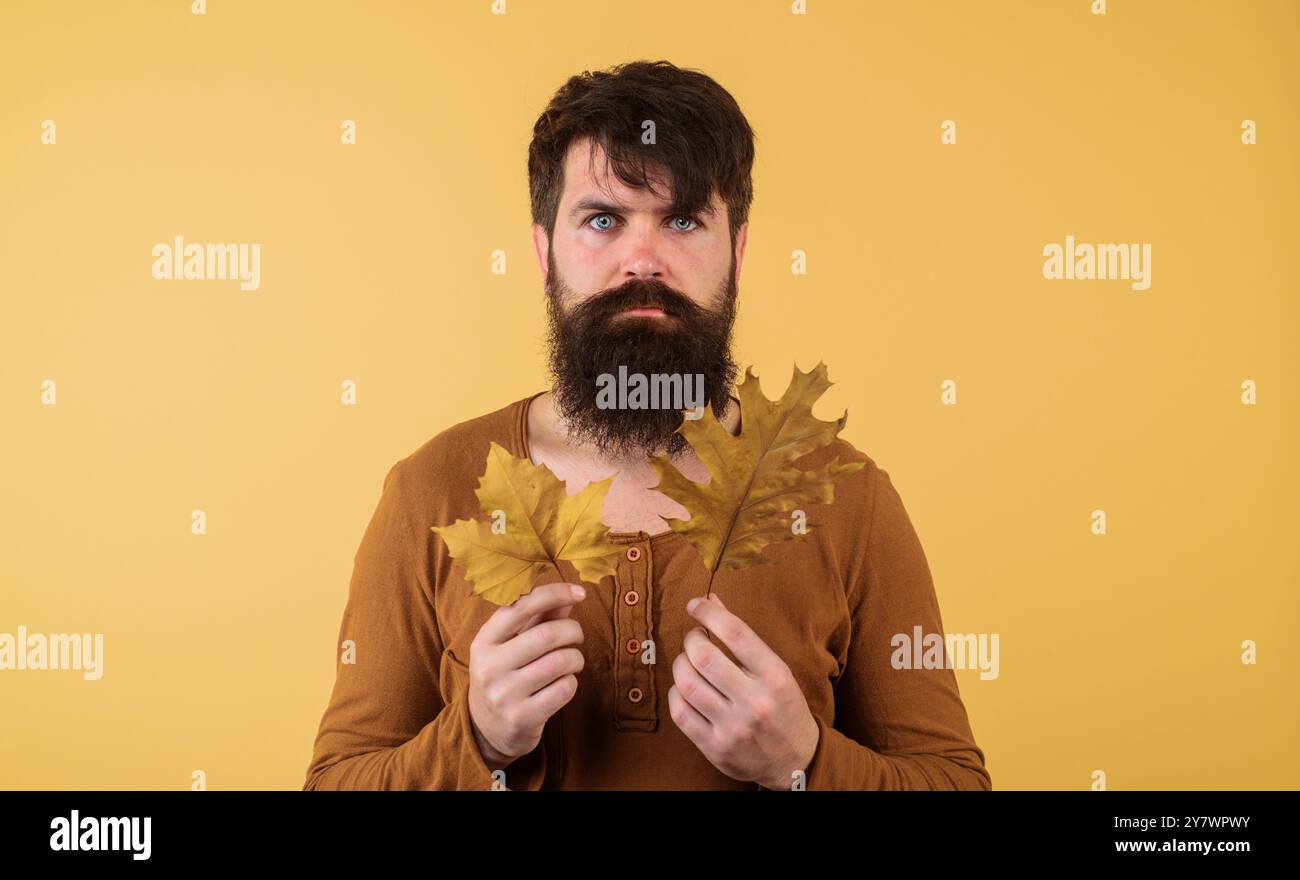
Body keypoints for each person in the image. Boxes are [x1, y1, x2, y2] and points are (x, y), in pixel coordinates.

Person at [303, 59, 990, 791]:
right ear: (544, 253)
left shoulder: (846, 499)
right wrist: (473, 740)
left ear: (738, 251)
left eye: (684, 219)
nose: (644, 260)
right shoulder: (429, 492)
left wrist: (806, 763)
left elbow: (955, 782)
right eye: (603, 219)